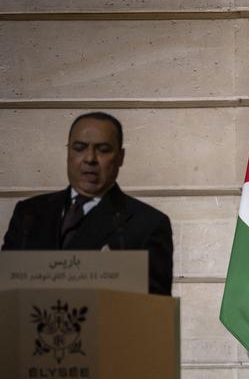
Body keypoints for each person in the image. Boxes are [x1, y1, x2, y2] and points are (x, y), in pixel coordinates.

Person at [1, 111, 173, 296]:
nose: (90, 158)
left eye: (103, 149)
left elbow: (155, 312)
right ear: (68, 152)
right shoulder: (28, 214)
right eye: (79, 147)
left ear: (120, 157)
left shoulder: (148, 224)